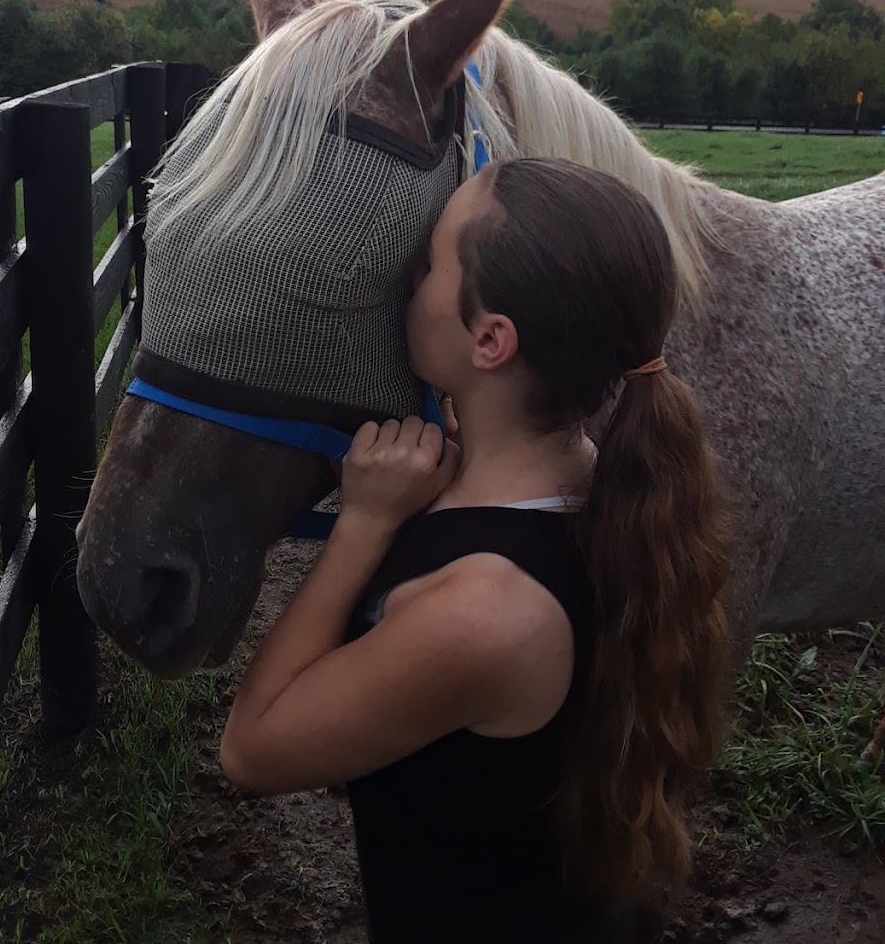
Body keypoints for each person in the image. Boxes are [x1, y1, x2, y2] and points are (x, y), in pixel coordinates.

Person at [220, 158, 729, 943]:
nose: (410, 281)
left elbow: (252, 747)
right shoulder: (605, 483)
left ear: (490, 339)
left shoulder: (487, 614)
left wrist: (362, 525)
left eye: (432, 262)